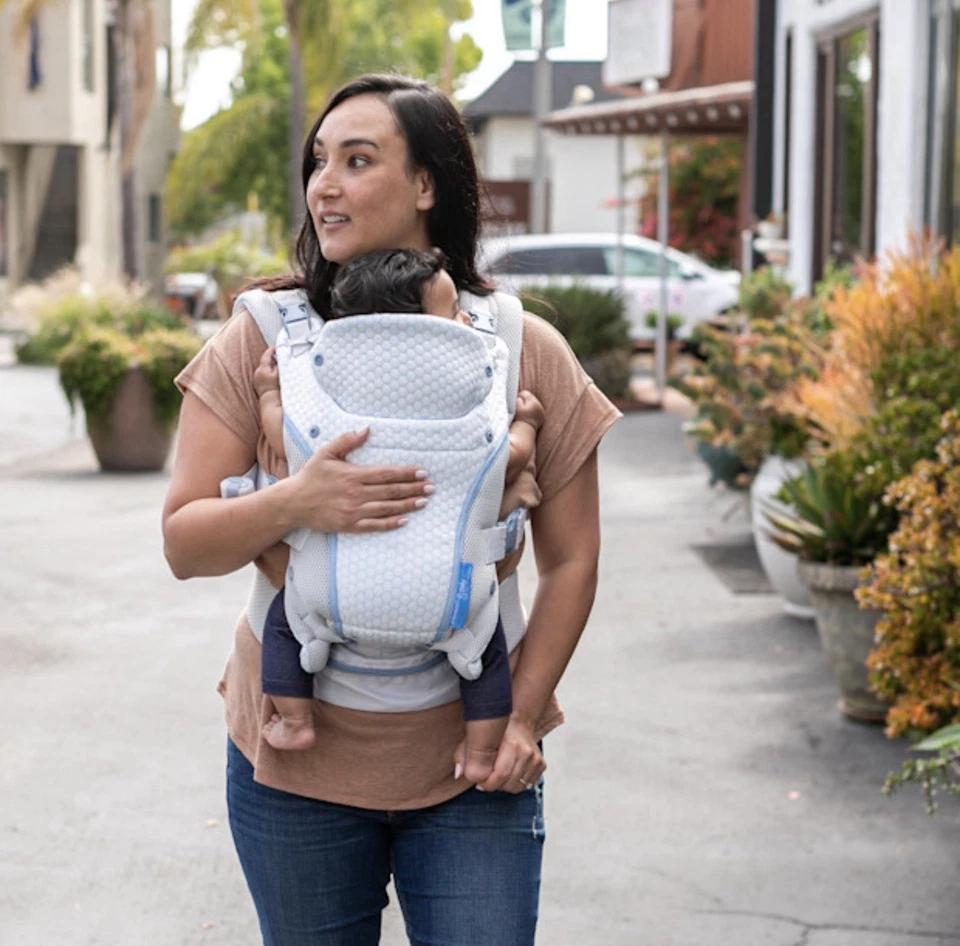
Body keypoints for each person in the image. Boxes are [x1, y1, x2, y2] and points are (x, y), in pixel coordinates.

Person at [162, 73, 620, 946]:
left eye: (357, 160)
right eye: (318, 161)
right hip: (292, 767)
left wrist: (520, 718)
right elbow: (185, 542)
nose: (324, 184)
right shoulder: (262, 337)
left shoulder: (521, 347)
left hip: (473, 765)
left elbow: (573, 559)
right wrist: (301, 501)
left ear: (427, 186)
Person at [235, 247, 544, 789]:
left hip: (330, 596)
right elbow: (507, 454)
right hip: (452, 600)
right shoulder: (472, 399)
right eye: (452, 315)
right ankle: (478, 752)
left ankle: (295, 719)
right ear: (417, 331)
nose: (465, 321)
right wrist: (530, 427)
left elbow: (285, 437)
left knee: (284, 624)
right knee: (487, 655)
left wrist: (265, 394)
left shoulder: (324, 398)